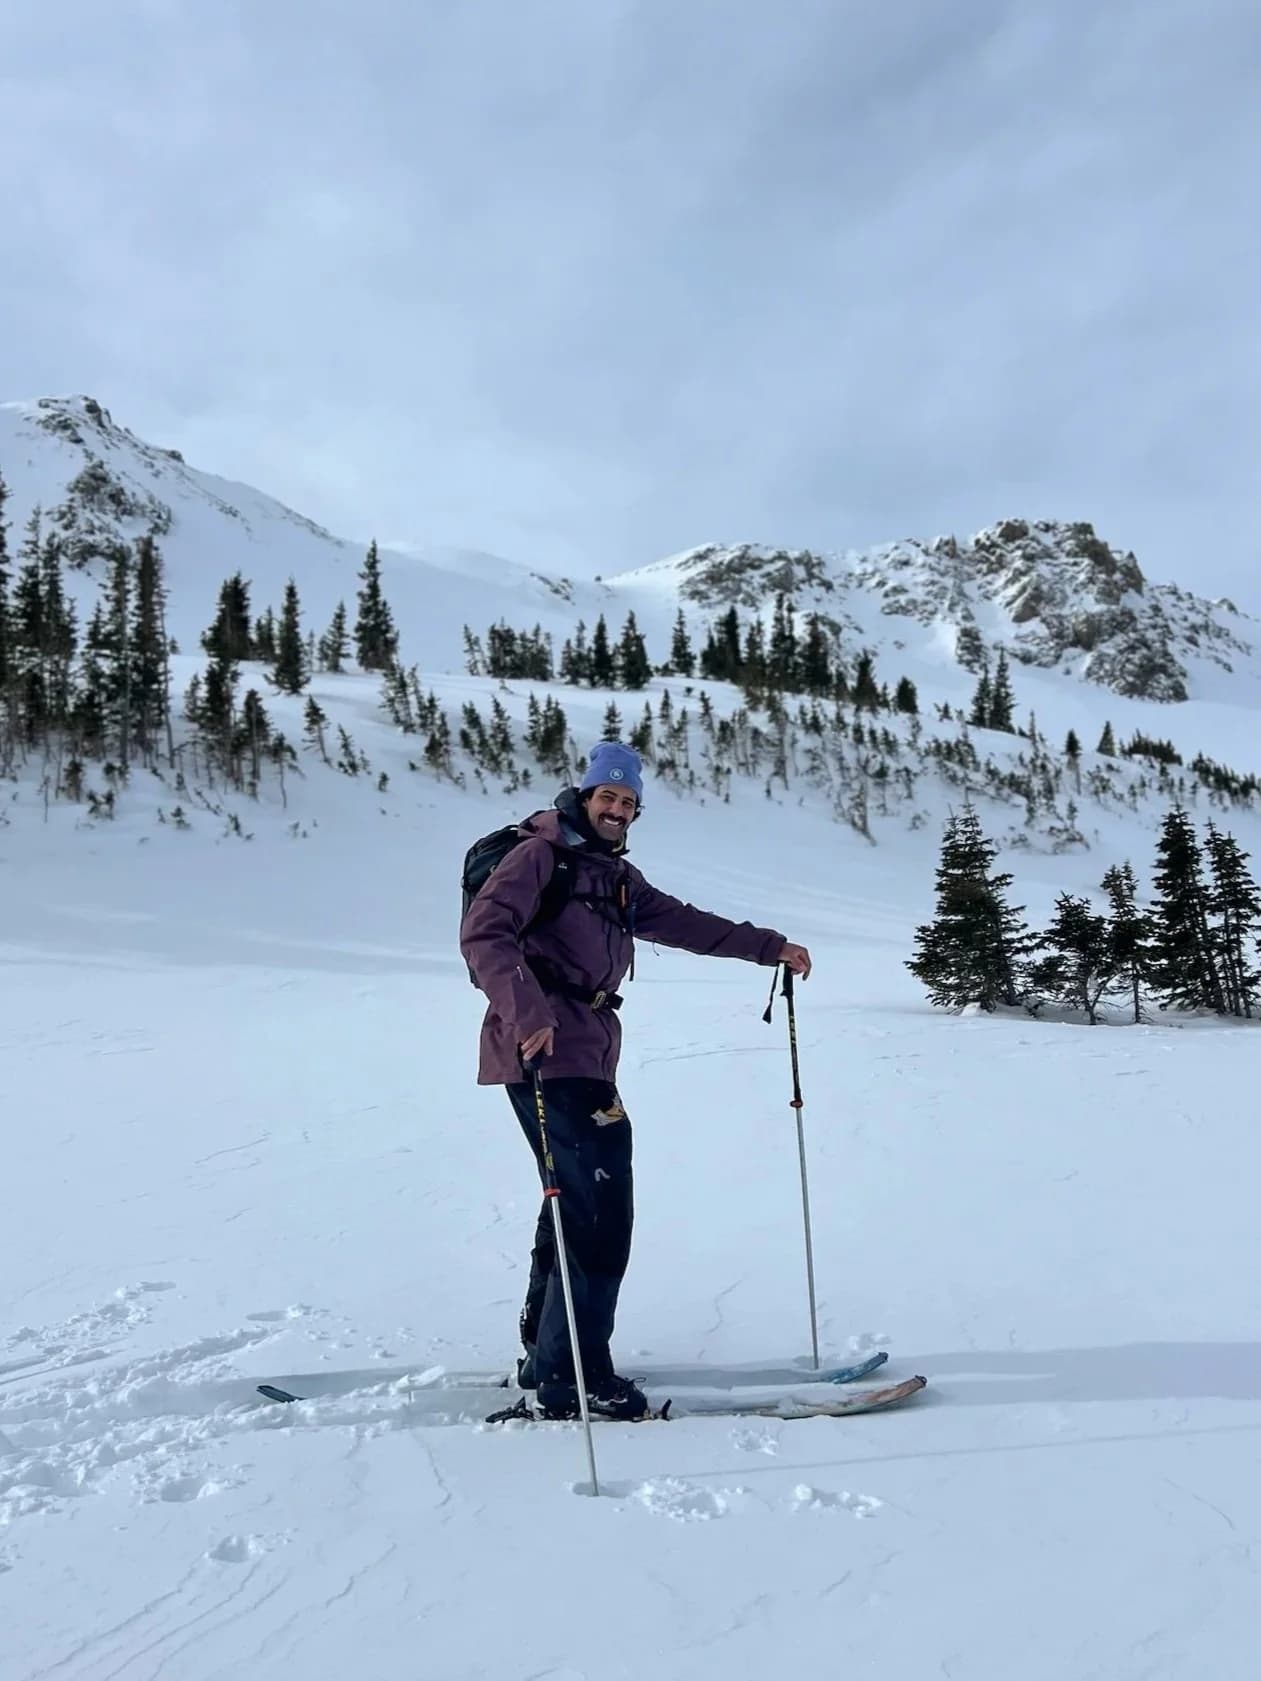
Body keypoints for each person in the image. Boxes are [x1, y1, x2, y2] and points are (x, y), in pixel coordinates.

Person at [459, 741, 812, 1421]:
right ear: (584, 796)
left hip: (586, 1050)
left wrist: (769, 946)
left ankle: (548, 1356)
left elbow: (683, 922)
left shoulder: (612, 875)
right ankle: (573, 1378)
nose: (617, 809)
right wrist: (528, 1011)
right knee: (596, 1211)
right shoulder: (539, 856)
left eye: (627, 802)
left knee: (573, 1203)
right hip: (544, 1051)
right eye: (607, 798)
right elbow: (485, 936)